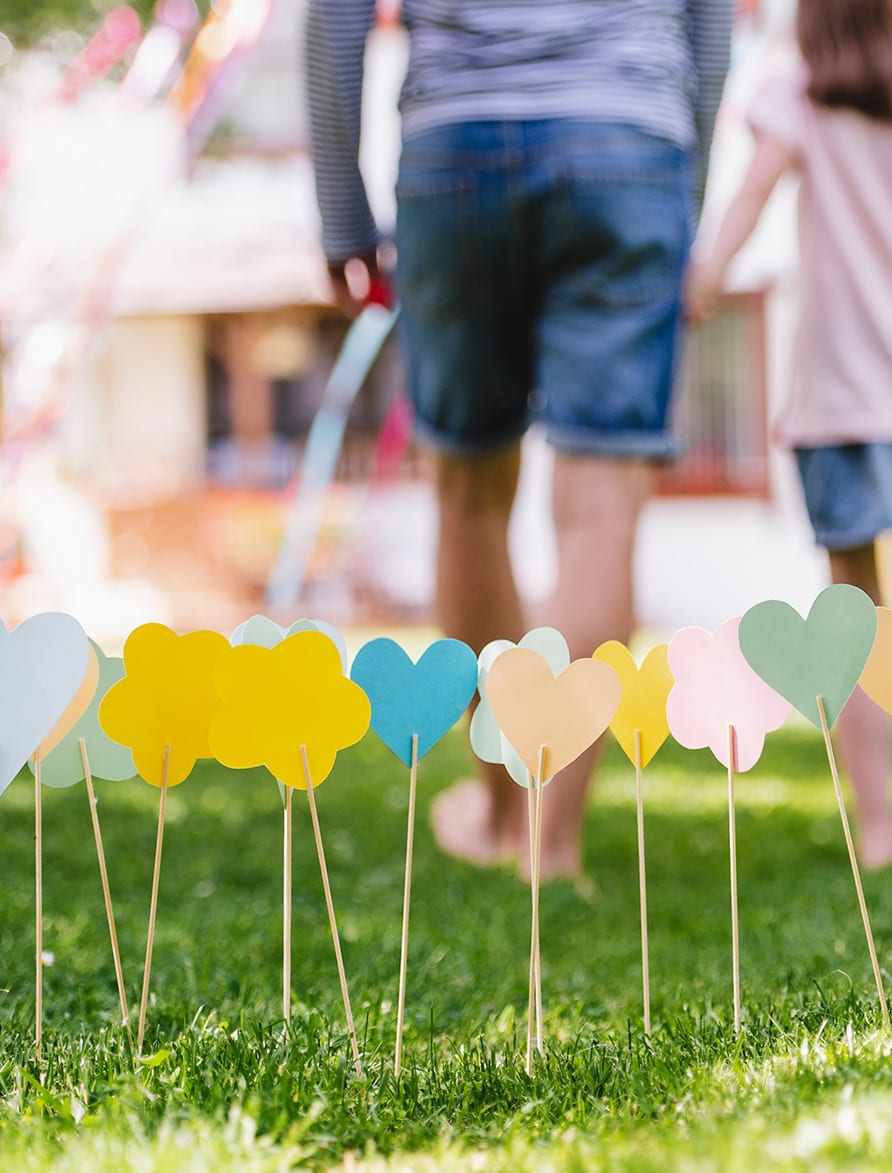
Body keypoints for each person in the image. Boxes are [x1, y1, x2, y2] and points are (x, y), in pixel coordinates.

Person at [306, 0, 732, 877]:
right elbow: (710, 24)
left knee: (467, 497)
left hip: (456, 141)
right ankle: (552, 842)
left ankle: (504, 814)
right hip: (629, 137)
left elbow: (337, 13)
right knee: (601, 513)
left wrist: (341, 209)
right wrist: (680, 194)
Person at [687, 0, 892, 866]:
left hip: (839, 387)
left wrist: (700, 285)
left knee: (851, 608)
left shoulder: (796, 96)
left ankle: (877, 825)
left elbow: (748, 199)